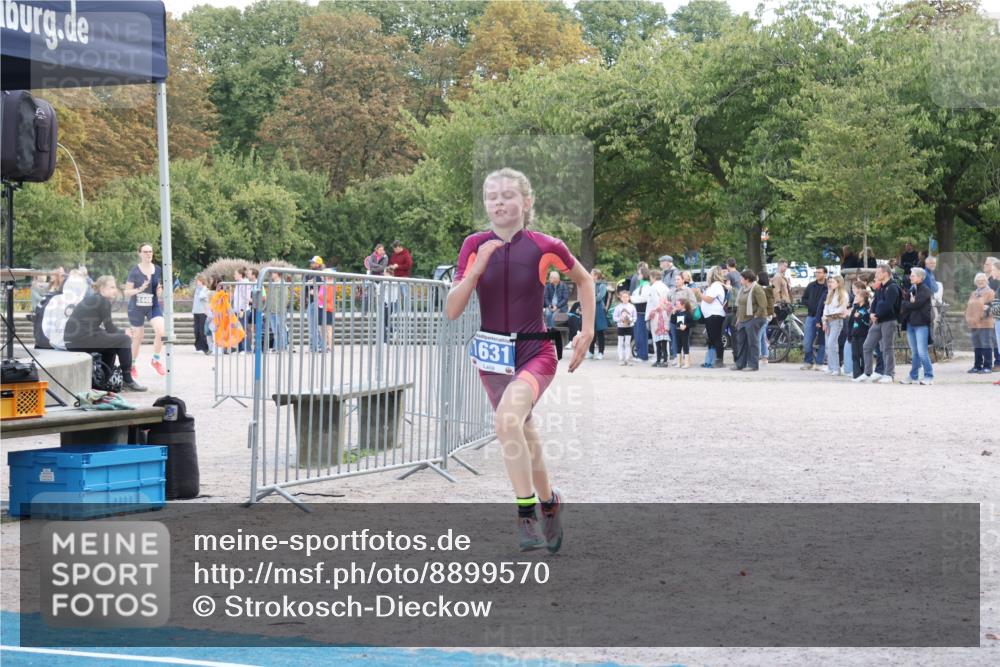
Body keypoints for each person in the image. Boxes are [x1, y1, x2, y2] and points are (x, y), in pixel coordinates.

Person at [445, 167, 594, 553]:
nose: (498, 202)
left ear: (526, 203)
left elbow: (585, 280)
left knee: (507, 420)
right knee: (524, 436)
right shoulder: (473, 244)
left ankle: (525, 513)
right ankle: (550, 503)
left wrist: (588, 330)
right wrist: (476, 269)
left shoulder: (546, 245)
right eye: (491, 196)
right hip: (492, 356)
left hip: (535, 350)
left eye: (508, 195)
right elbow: (452, 310)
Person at [64, 275, 147, 392]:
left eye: (115, 287)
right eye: (112, 287)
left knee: (112, 346)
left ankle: (104, 381)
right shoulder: (103, 301)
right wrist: (125, 332)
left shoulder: (93, 298)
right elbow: (110, 328)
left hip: (73, 341)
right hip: (80, 339)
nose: (115, 290)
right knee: (124, 340)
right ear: (102, 289)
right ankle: (127, 380)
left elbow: (96, 327)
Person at [124, 242, 166, 379]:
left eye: (150, 252)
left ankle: (155, 359)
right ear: (140, 254)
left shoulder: (158, 269)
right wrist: (139, 289)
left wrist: (159, 290)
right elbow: (127, 292)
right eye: (146, 252)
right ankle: (132, 365)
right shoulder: (134, 271)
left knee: (161, 331)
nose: (149, 254)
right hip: (136, 307)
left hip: (152, 305)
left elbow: (157, 285)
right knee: (138, 336)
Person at [858, 264, 902, 383]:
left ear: (885, 273)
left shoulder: (892, 287)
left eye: (878, 272)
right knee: (867, 346)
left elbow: (889, 306)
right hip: (877, 321)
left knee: (887, 347)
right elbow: (875, 302)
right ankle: (867, 373)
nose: (876, 275)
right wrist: (872, 313)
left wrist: (876, 314)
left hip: (888, 320)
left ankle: (889, 374)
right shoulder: (880, 287)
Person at [899, 267, 934, 385]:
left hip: (921, 325)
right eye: (911, 275)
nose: (910, 277)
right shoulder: (912, 289)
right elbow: (903, 303)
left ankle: (929, 376)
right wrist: (910, 302)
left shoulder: (925, 290)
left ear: (920, 277)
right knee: (914, 352)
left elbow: (916, 304)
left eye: (913, 275)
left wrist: (910, 303)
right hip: (910, 324)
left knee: (922, 352)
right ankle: (913, 376)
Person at [730, 270, 767, 371]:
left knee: (752, 342)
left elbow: (762, 305)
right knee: (741, 342)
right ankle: (740, 364)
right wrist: (738, 318)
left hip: (754, 319)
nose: (740, 280)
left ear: (747, 279)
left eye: (741, 278)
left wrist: (755, 316)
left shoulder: (757, 289)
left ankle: (753, 365)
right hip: (743, 319)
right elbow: (740, 305)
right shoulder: (743, 288)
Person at [966, 272, 995, 374]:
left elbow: (989, 308)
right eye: (978, 280)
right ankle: (977, 366)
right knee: (977, 345)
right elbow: (969, 307)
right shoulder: (974, 293)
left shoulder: (990, 292)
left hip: (985, 323)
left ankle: (987, 367)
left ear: (986, 281)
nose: (980, 282)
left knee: (985, 344)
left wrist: (980, 316)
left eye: (982, 280)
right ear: (975, 282)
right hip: (974, 323)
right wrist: (968, 317)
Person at [800, 266, 828, 370]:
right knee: (807, 341)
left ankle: (819, 363)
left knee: (822, 341)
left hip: (823, 317)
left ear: (825, 274)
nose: (817, 274)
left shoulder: (827, 287)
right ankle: (808, 361)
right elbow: (804, 299)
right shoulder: (811, 285)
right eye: (816, 272)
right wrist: (811, 305)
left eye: (819, 272)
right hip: (811, 316)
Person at [700, 266, 728, 368]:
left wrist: (699, 294)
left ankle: (719, 360)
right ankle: (710, 360)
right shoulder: (713, 286)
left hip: (715, 315)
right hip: (710, 315)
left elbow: (709, 299)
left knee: (716, 338)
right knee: (711, 339)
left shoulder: (716, 285)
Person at [821, 275, 850, 376]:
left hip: (836, 321)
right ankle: (830, 367)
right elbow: (826, 307)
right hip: (828, 321)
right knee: (828, 345)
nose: (830, 284)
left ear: (838, 283)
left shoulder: (843, 295)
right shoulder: (830, 294)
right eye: (830, 282)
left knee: (832, 344)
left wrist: (829, 316)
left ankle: (836, 368)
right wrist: (824, 320)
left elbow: (841, 309)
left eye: (832, 282)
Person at [646, 269, 673, 367]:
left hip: (656, 314)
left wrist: (649, 315)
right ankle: (666, 357)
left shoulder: (653, 287)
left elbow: (653, 302)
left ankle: (658, 357)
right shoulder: (665, 286)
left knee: (656, 337)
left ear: (652, 277)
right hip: (666, 313)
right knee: (665, 337)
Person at [848, 284, 872, 380]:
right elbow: (850, 322)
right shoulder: (855, 308)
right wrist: (850, 333)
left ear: (862, 298)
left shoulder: (866, 310)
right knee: (855, 355)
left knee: (863, 355)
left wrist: (860, 317)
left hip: (863, 335)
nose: (856, 297)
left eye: (858, 296)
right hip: (855, 335)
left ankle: (865, 373)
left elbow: (867, 323)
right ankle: (856, 374)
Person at [630, 266, 652, 361]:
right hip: (638, 312)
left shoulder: (647, 286)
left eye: (639, 273)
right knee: (638, 335)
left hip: (642, 313)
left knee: (641, 335)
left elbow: (644, 298)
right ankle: (640, 354)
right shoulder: (641, 285)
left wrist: (631, 298)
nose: (637, 275)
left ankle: (642, 355)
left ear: (643, 275)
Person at [588, 268, 609, 360]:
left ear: (596, 276)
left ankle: (601, 352)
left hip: (599, 310)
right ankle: (591, 352)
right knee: (591, 332)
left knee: (600, 332)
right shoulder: (589, 283)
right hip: (591, 309)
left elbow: (600, 297)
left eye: (591, 274)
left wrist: (590, 299)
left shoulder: (602, 285)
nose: (589, 275)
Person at [305, 256, 326, 352]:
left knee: (313, 325)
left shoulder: (319, 274)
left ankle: (316, 346)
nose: (311, 264)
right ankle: (317, 345)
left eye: (313, 263)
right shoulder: (310, 274)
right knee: (313, 326)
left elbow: (315, 289)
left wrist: (310, 284)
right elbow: (307, 286)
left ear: (318, 264)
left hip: (316, 302)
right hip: (311, 301)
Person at [267, 271, 291, 352]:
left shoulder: (282, 284)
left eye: (273, 273)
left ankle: (282, 347)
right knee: (275, 331)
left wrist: (281, 310)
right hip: (272, 310)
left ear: (277, 274)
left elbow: (285, 299)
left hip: (279, 311)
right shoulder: (273, 284)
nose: (271, 274)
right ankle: (277, 347)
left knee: (281, 330)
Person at [613, 289, 637, 366]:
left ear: (629, 297)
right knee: (620, 343)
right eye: (623, 297)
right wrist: (620, 319)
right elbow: (614, 317)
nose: (625, 298)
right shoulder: (618, 307)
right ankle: (621, 359)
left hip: (629, 327)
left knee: (627, 343)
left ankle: (627, 359)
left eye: (626, 297)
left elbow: (635, 317)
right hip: (620, 327)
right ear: (620, 298)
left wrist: (631, 320)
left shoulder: (632, 306)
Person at [757, 271, 775, 365]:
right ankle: (765, 356)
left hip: (764, 315)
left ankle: (757, 356)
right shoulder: (769, 288)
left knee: (758, 335)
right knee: (763, 336)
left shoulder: (762, 290)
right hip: (768, 315)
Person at [317, 270, 337, 351]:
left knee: (329, 328)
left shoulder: (331, 284)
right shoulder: (323, 284)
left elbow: (327, 298)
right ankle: (324, 345)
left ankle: (330, 346)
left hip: (328, 308)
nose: (321, 276)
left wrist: (317, 295)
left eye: (322, 275)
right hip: (321, 307)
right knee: (321, 328)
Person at [671, 297, 694, 368]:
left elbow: (692, 323)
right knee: (678, 347)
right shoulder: (677, 313)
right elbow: (673, 321)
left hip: (685, 333)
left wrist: (686, 326)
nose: (676, 306)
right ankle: (679, 363)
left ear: (683, 305)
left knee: (685, 346)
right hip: (678, 332)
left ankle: (687, 363)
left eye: (678, 304)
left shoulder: (688, 313)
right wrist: (673, 313)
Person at [192, 274, 210, 355]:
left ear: (202, 281)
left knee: (202, 330)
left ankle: (204, 348)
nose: (197, 282)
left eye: (198, 281)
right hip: (196, 312)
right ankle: (198, 346)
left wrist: (202, 288)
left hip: (203, 312)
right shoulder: (197, 289)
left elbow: (202, 297)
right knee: (196, 330)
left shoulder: (205, 290)